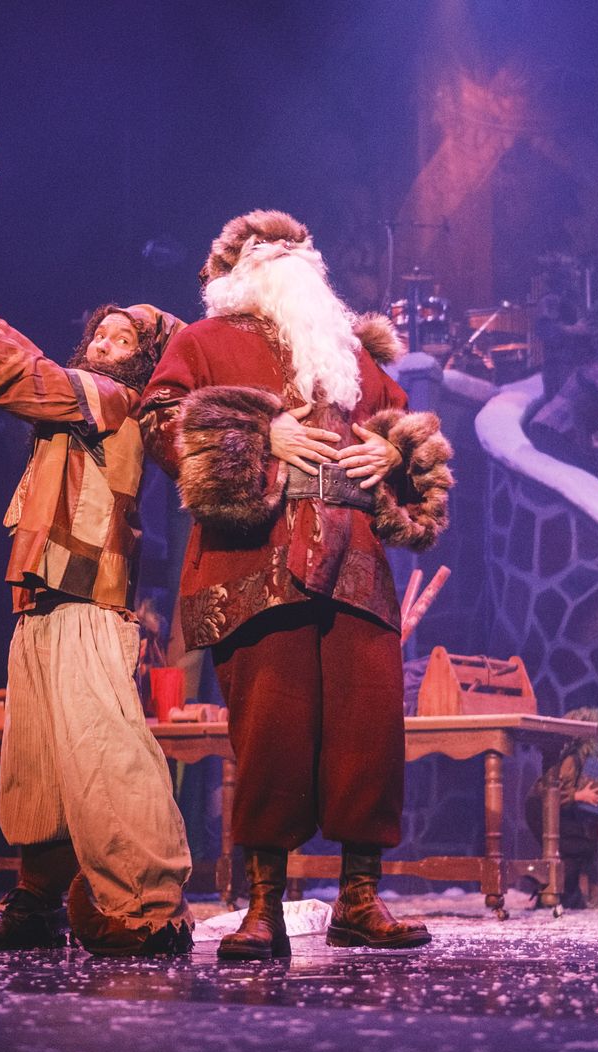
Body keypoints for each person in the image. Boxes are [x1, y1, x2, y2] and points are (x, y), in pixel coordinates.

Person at [139, 209, 453, 960]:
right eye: (270, 251)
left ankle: (359, 898)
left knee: (367, 730)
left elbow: (408, 428)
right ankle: (262, 907)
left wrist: (393, 454)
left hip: (355, 564)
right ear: (239, 269)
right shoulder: (202, 342)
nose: (289, 260)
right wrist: (255, 435)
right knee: (270, 733)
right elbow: (158, 420)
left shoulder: (347, 354)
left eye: (298, 251)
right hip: (257, 560)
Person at [0, 278, 195, 956]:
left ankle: (152, 910)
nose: (106, 343)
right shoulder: (76, 399)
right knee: (41, 765)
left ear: (143, 362)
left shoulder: (112, 400)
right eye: (101, 333)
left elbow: (20, 374)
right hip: (43, 598)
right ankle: (35, 905)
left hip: (90, 599)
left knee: (106, 754)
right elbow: (15, 344)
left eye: (124, 339)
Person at [524, 706, 598, 909]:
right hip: (540, 808)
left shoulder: (581, 759)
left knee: (576, 849)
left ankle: (560, 893)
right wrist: (579, 795)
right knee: (579, 847)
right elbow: (550, 793)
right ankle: (547, 889)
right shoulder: (571, 760)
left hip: (551, 808)